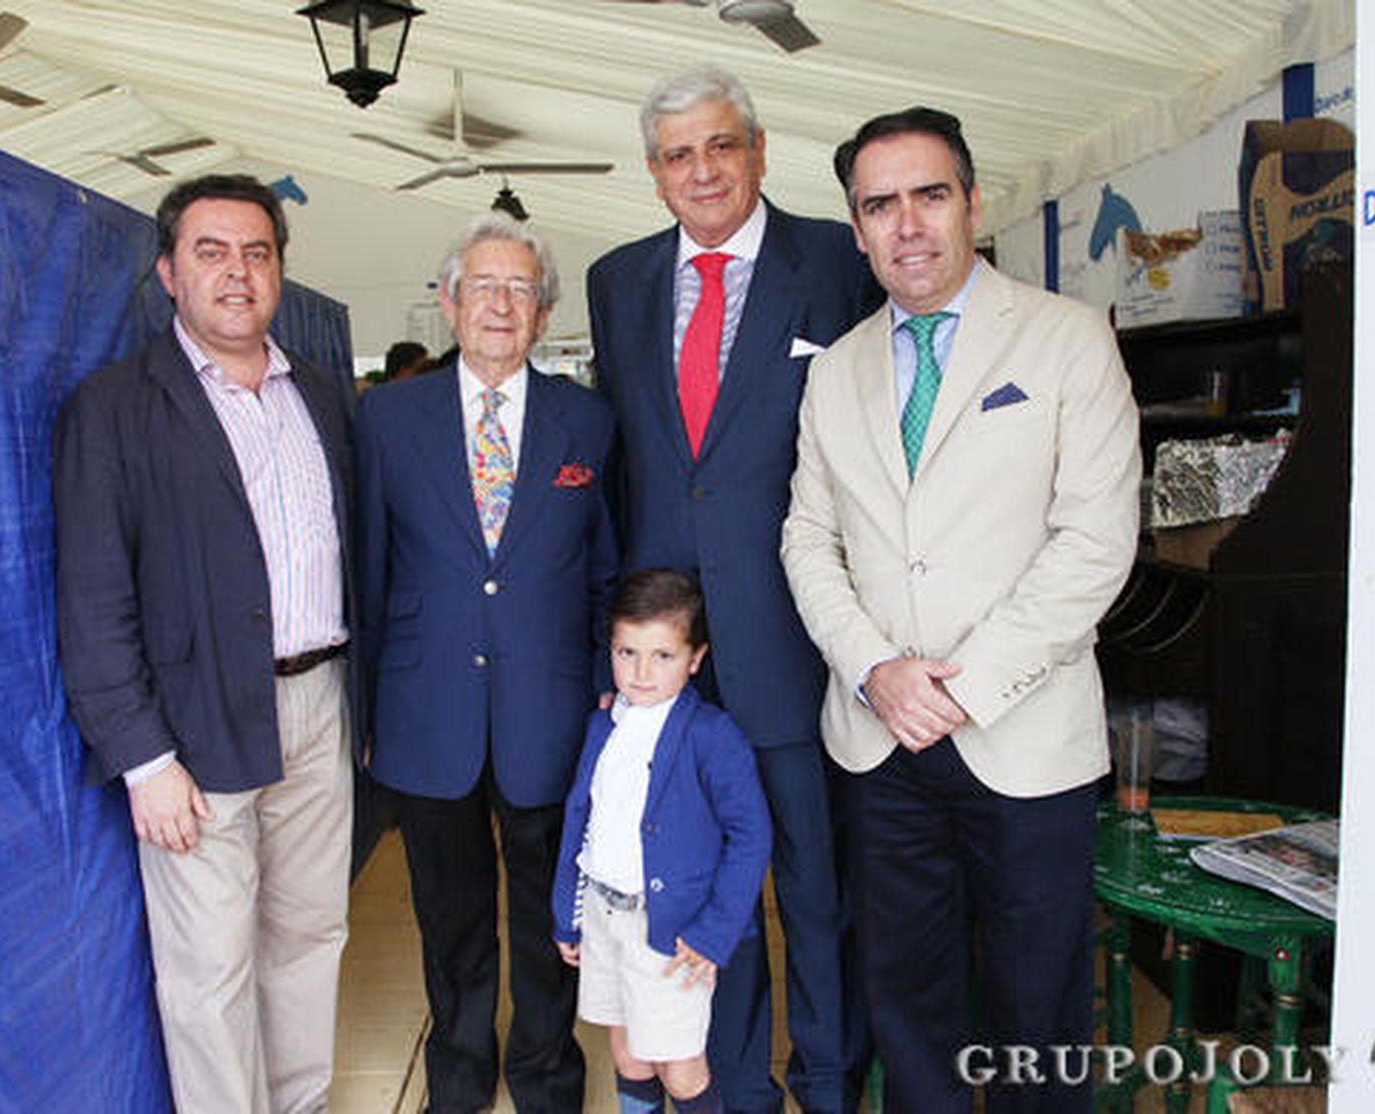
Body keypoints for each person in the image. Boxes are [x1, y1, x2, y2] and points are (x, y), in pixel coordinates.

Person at [780, 106, 1142, 1113]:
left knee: (1037, 1015)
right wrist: (874, 670)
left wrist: (965, 687)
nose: (907, 225)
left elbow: (1095, 542)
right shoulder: (836, 369)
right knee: (907, 1007)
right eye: (878, 205)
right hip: (877, 738)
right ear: (854, 228)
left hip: (1021, 734)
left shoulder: (1067, 340)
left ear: (973, 203)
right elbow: (807, 537)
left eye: (928, 195)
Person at [587, 65, 881, 1114]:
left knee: (815, 885)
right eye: (677, 155)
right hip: (675, 658)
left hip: (799, 636)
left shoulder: (837, 263)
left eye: (721, 146)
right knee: (699, 891)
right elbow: (631, 467)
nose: (702, 171)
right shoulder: (615, 282)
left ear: (757, 150)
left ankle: (832, 1079)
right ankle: (736, 1087)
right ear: (654, 174)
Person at [54, 174, 355, 1113]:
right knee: (210, 966)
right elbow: (94, 599)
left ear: (279, 273)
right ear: (167, 274)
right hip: (194, 725)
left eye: (257, 253)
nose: (237, 272)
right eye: (211, 252)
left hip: (321, 705)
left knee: (311, 935)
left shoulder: (322, 396)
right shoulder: (112, 409)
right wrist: (143, 759)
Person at [355, 212, 616, 1114]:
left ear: (543, 315)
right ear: (449, 301)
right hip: (428, 713)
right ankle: (459, 1076)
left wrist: (608, 700)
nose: (501, 305)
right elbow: (368, 574)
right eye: (484, 286)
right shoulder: (387, 417)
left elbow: (605, 573)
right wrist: (365, 721)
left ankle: (547, 1076)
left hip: (552, 711)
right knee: (450, 915)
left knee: (552, 918)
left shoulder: (589, 421)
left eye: (520, 290)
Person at [552, 569, 772, 1114]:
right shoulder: (602, 726)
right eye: (627, 653)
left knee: (680, 1069)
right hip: (604, 918)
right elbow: (582, 821)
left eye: (663, 656)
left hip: (673, 936)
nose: (641, 672)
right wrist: (567, 913)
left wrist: (715, 932)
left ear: (696, 658)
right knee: (627, 1054)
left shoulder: (712, 736)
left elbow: (751, 837)